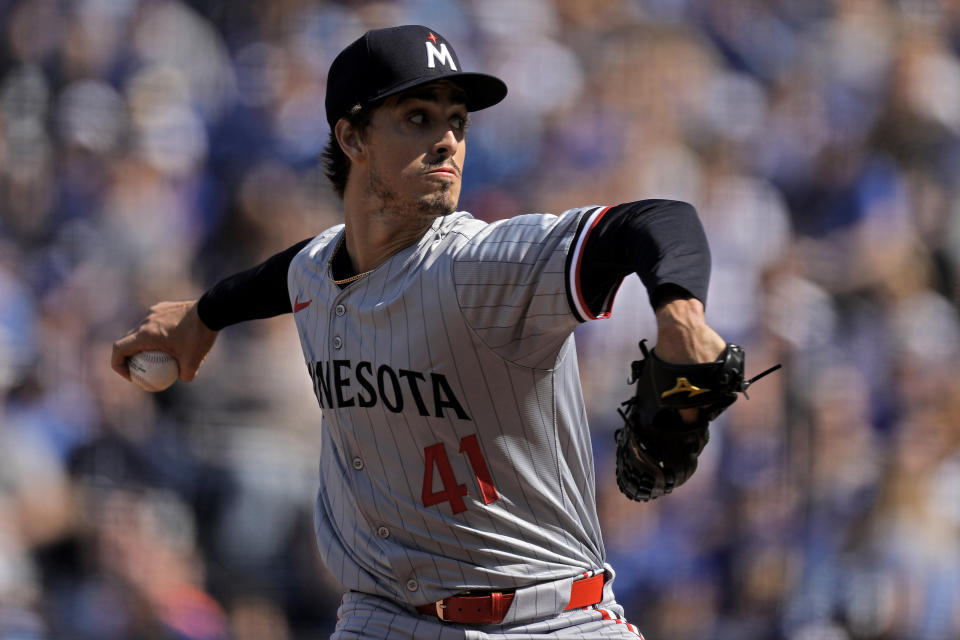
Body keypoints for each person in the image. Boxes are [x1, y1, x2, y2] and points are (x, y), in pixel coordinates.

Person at [112, 25, 726, 640]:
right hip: (379, 619)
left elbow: (657, 219)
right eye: (417, 118)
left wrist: (680, 314)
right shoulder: (317, 270)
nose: (448, 141)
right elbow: (294, 272)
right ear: (350, 136)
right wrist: (204, 314)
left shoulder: (482, 265)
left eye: (457, 120)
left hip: (549, 620)